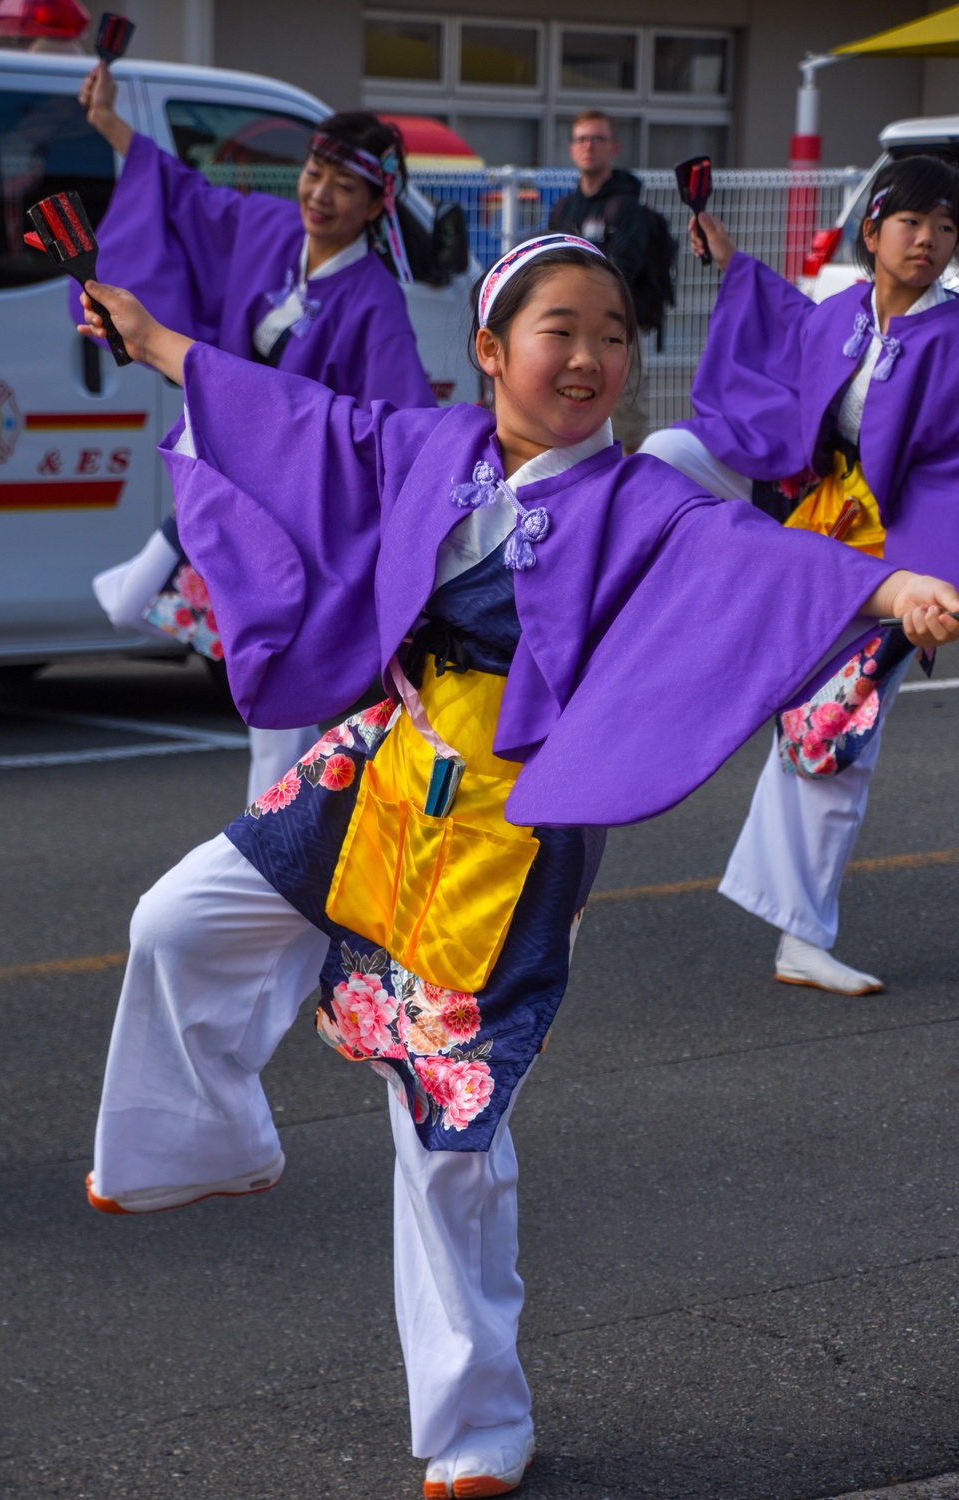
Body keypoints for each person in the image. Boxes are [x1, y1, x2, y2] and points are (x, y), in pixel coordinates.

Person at [75, 232, 959, 1499]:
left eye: (613, 332)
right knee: (173, 919)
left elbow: (753, 559)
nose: (593, 356)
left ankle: (479, 1421)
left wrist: (885, 591)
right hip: (382, 763)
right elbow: (304, 421)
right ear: (490, 351)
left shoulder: (643, 498)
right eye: (562, 330)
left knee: (448, 1132)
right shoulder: (428, 446)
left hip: (514, 823)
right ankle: (205, 1140)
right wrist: (156, 339)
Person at [639, 155, 959, 995]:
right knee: (666, 456)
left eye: (946, 228)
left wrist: (936, 583)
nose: (927, 240)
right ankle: (655, 592)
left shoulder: (954, 336)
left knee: (834, 732)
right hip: (806, 507)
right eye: (911, 223)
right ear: (873, 230)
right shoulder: (842, 312)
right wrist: (732, 260)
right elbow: (782, 333)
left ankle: (801, 938)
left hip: (888, 550)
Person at [77, 61, 436, 800]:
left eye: (344, 186)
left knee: (275, 725)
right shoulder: (268, 226)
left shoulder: (376, 303)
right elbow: (185, 195)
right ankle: (293, 770)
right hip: (225, 475)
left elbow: (405, 430)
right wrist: (112, 123)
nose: (319, 194)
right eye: (313, 172)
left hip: (299, 512)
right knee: (124, 600)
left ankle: (272, 851)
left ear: (376, 205)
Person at [548, 110, 676, 450]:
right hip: (568, 331)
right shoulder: (564, 209)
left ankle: (628, 494)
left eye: (597, 138)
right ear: (572, 149)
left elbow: (625, 269)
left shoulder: (628, 208)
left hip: (617, 332)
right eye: (581, 139)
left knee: (623, 422)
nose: (588, 146)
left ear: (614, 147)